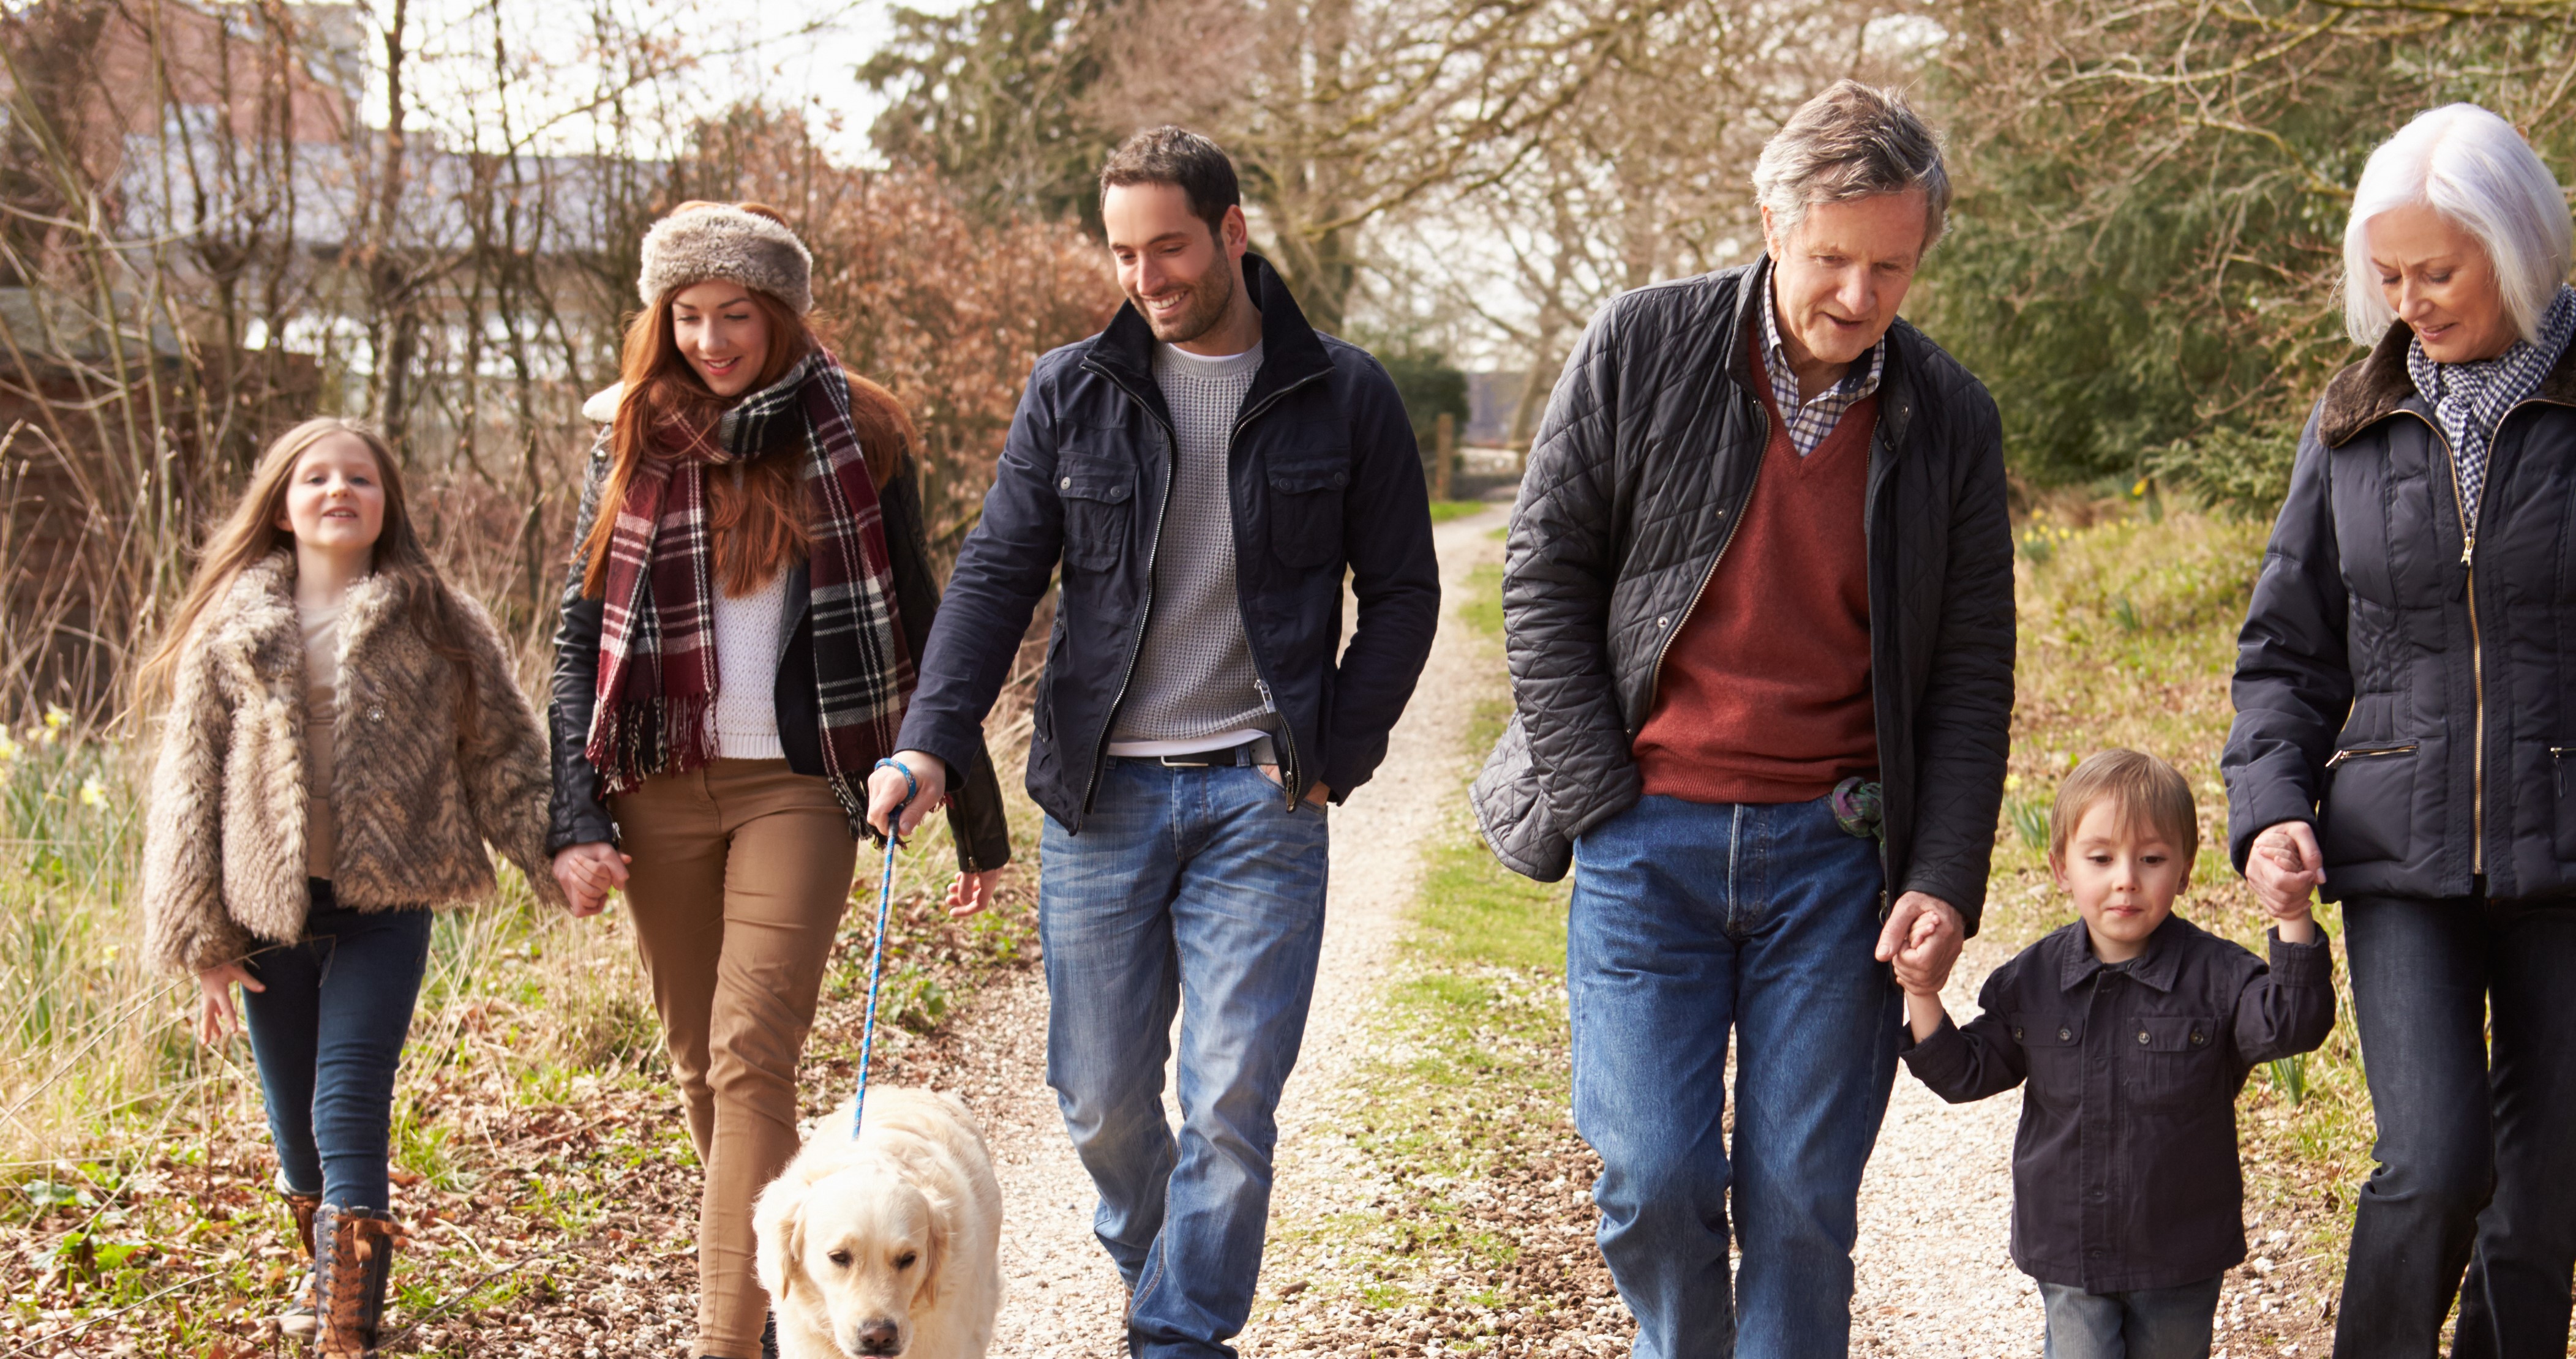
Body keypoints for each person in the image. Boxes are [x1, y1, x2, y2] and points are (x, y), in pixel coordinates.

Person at [2225, 103, 2576, 1358]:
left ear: (2520, 249)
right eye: (2388, 277)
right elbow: (2282, 654)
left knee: (2535, 1212)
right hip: (2397, 852)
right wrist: (2269, 803)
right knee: (2430, 1163)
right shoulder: (2353, 425)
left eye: (2439, 272)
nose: (2410, 302)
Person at [866, 127, 1439, 1357]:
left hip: (1260, 794)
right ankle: (1157, 1264)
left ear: (1233, 231)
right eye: (1125, 253)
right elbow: (994, 582)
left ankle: (1177, 1336)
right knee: (1099, 1101)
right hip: (1101, 796)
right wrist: (930, 745)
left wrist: (1342, 744)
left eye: (1169, 247)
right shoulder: (1073, 388)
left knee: (1231, 1097)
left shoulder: (1345, 392)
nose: (1147, 276)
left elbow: (1403, 593)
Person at [1473, 81, 2014, 1357]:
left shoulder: (1951, 421)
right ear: (1771, 223)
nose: (1857, 296)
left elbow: (1971, 674)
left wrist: (1941, 873)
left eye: (1891, 267)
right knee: (1653, 1185)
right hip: (1644, 844)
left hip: (1836, 861)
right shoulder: (1641, 345)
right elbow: (1543, 575)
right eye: (1833, 259)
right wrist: (1603, 798)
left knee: (1803, 1205)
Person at [543, 201, 1012, 1359]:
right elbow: (577, 635)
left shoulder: (858, 430)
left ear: (782, 315)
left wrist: (977, 812)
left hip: (800, 787)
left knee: (754, 1055)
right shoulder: (629, 441)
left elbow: (919, 609)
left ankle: (723, 1343)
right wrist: (571, 810)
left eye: (735, 315)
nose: (711, 339)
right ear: (662, 320)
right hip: (659, 781)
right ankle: (784, 1291)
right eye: (688, 316)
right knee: (702, 1064)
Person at [138, 417, 552, 1358]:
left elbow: (503, 756)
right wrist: (202, 942)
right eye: (315, 478)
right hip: (262, 917)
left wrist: (556, 855)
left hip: (383, 909)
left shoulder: (438, 620)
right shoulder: (233, 628)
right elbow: (187, 783)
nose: (337, 492)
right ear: (282, 505)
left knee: (346, 1101)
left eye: (358, 479)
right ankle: (325, 1271)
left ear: (385, 504)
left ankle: (347, 1329)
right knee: (295, 1129)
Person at [1900, 750, 2332, 1359]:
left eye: (2152, 859)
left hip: (2179, 1251)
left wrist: (2292, 916)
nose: (2126, 878)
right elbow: (1963, 1071)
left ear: (2185, 871)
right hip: (2070, 1247)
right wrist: (1921, 991)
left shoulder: (2218, 977)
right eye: (2100, 859)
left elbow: (2295, 1024)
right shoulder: (2033, 980)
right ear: (2061, 868)